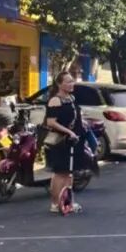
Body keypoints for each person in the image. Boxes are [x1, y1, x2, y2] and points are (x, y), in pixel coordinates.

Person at [44, 71, 91, 214]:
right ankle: (54, 203)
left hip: (74, 140)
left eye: (72, 81)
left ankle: (68, 202)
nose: (72, 84)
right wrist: (68, 132)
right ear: (59, 84)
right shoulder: (55, 100)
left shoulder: (71, 98)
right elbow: (51, 122)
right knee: (60, 172)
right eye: (68, 81)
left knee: (69, 173)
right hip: (61, 141)